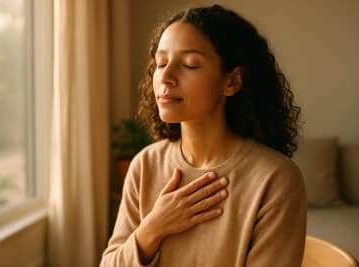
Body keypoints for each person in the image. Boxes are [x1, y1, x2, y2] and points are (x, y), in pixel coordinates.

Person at [101, 4, 306, 267]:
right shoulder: (145, 165)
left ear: (231, 81)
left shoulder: (276, 180)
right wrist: (152, 229)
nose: (166, 77)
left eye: (189, 65)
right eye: (161, 63)